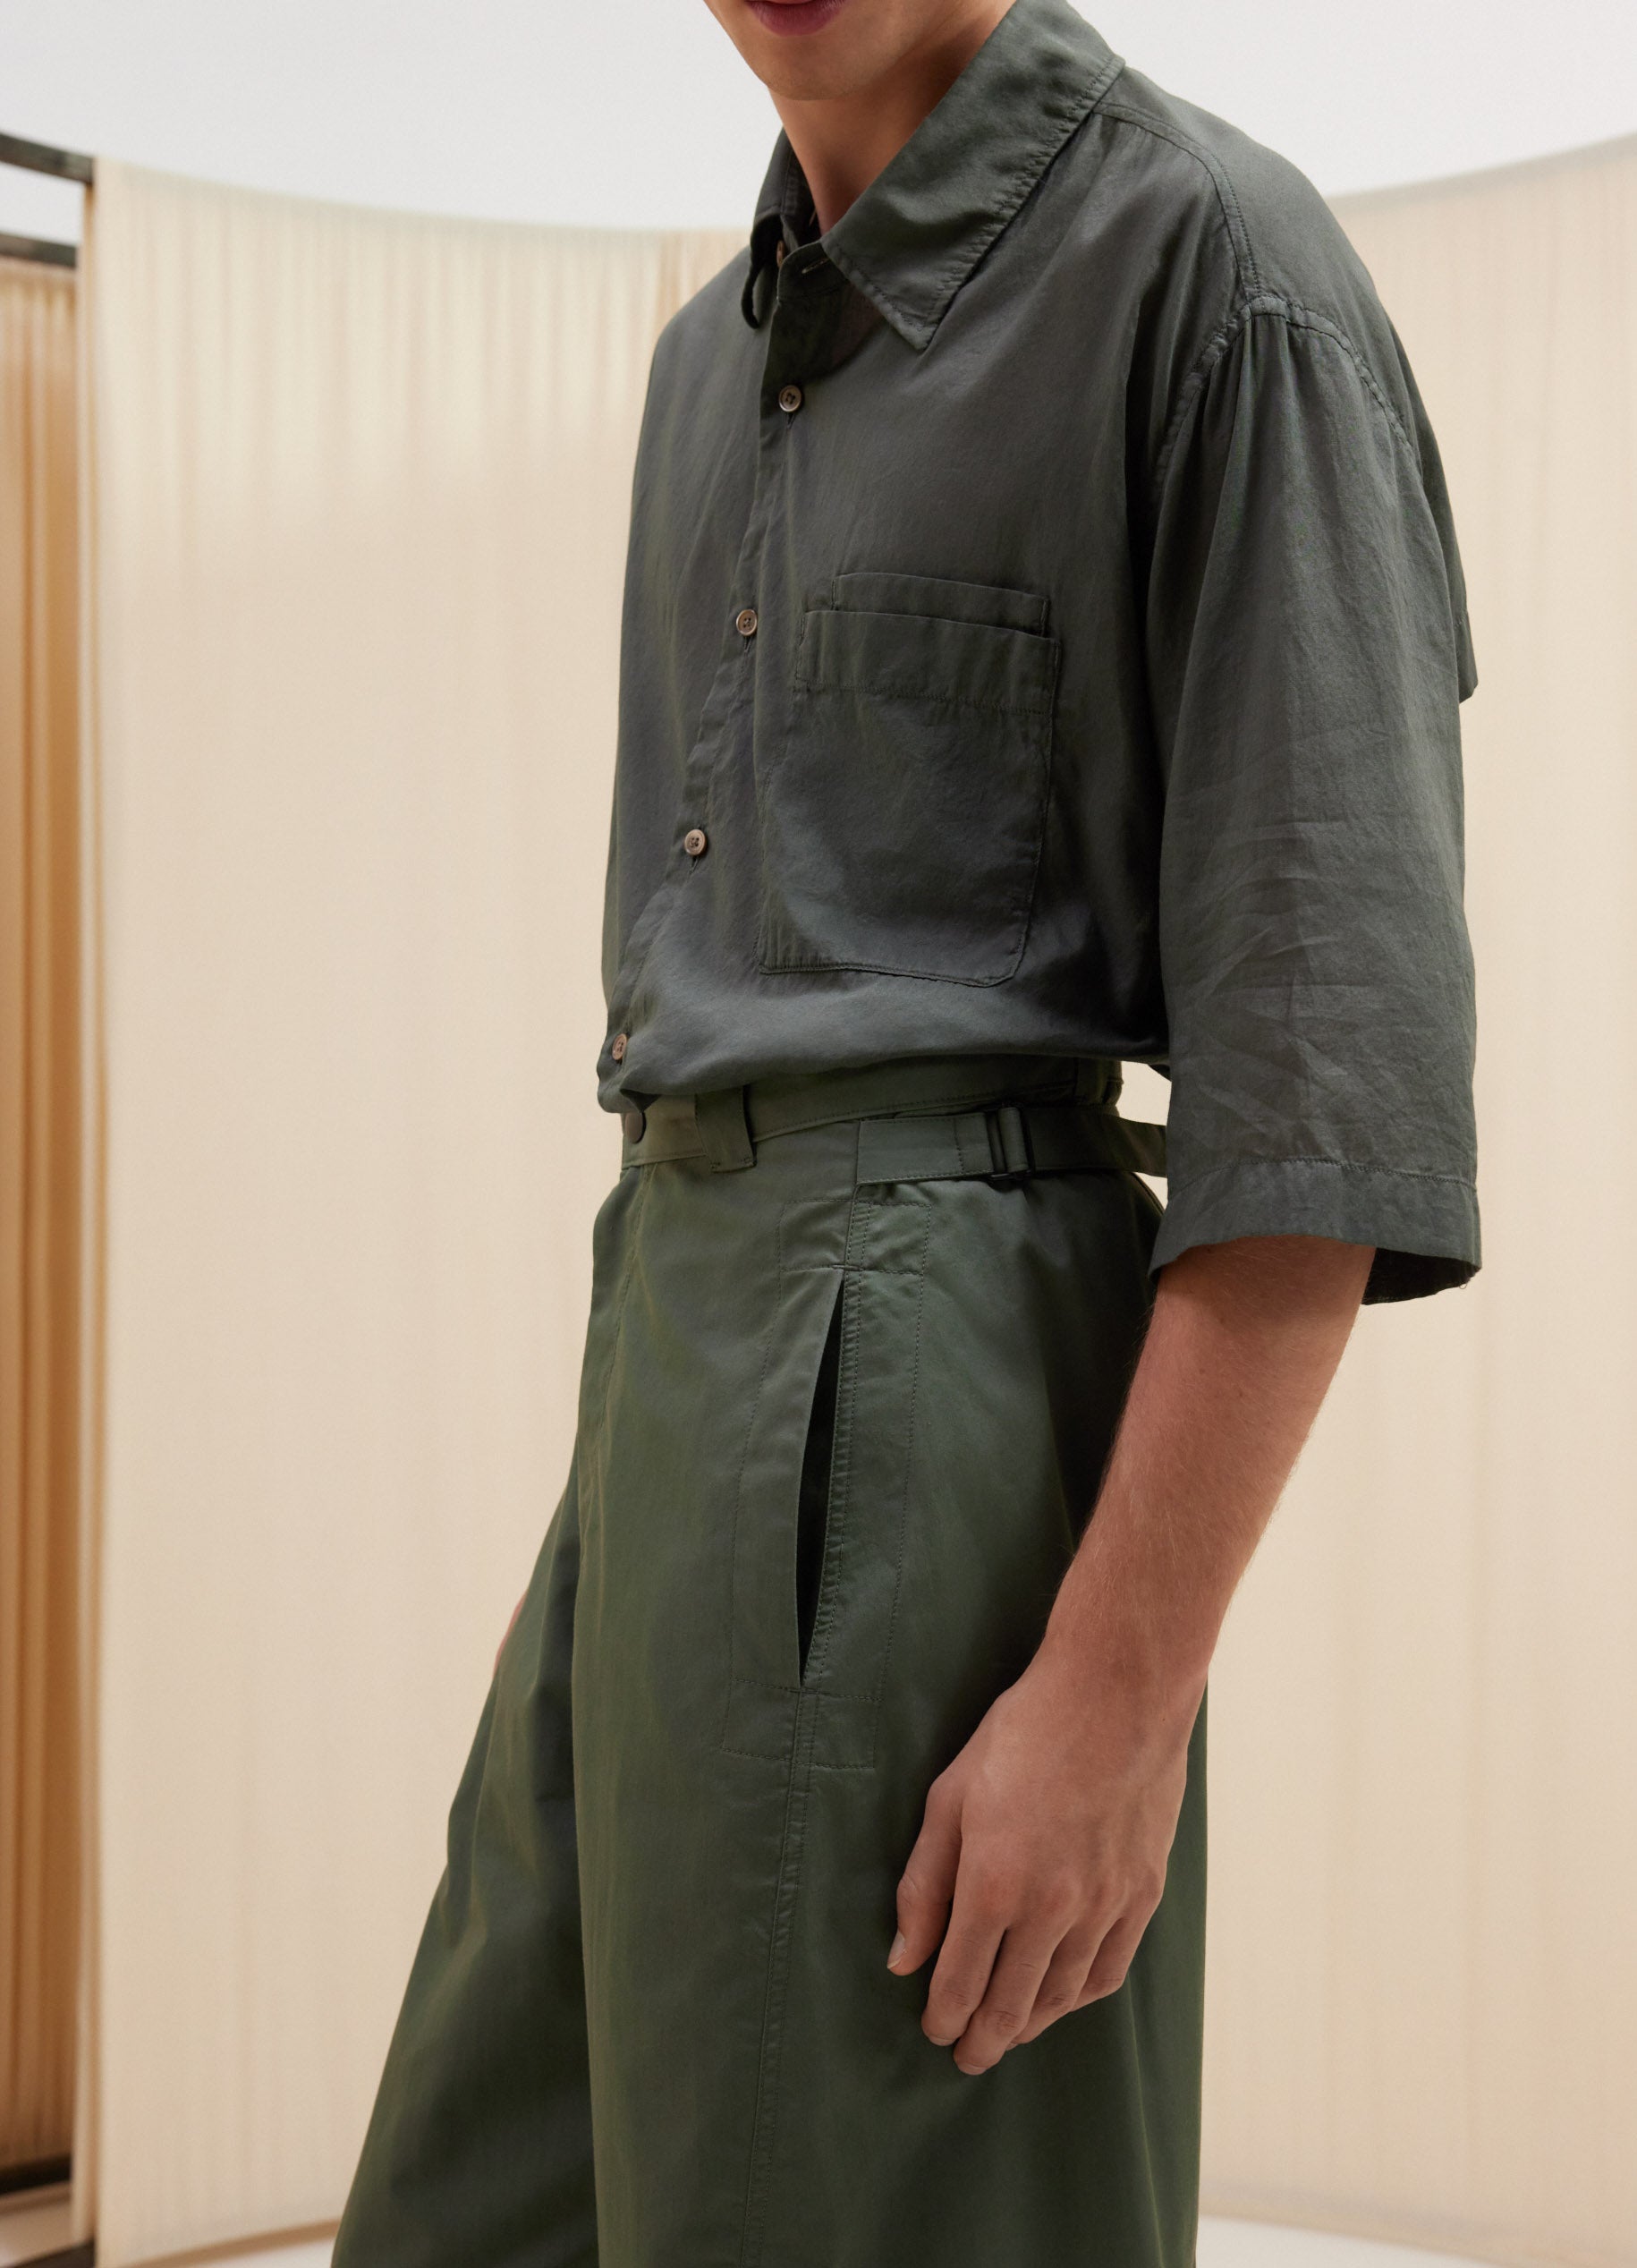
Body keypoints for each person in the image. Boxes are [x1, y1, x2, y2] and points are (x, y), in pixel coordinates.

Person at [331, 0, 1480, 2261]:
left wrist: (1117, 1696)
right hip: (662, 1362)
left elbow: (1322, 1080)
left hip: (930, 1399)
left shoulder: (1216, 271)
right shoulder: (709, 363)